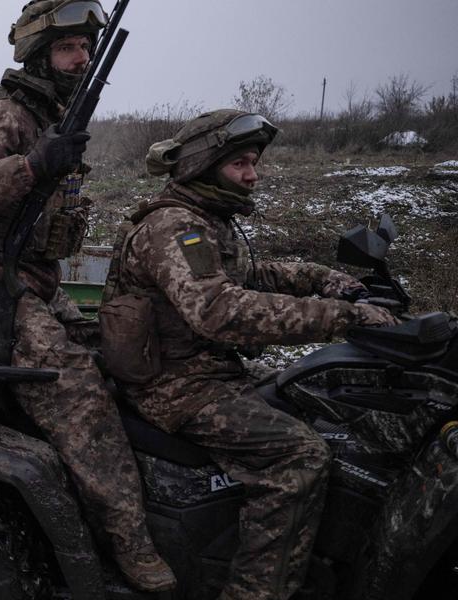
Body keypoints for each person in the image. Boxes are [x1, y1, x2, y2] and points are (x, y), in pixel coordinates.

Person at [101, 109, 397, 600]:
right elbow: (219, 310)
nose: (252, 175)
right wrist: (340, 317)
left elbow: (249, 277)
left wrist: (324, 279)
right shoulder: (176, 226)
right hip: (174, 386)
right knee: (299, 457)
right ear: (205, 164)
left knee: (322, 397)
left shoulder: (208, 221)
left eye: (254, 163)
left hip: (207, 369)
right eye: (240, 163)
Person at [0, 0, 176, 591]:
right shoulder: (8, 115)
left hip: (30, 280)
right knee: (79, 392)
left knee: (122, 349)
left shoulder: (49, 114)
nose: (82, 59)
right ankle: (129, 546)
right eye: (69, 48)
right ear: (40, 53)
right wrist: (32, 164)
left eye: (87, 48)